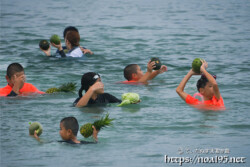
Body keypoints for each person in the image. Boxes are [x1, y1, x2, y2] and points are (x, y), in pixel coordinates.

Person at [32, 117, 98, 144]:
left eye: (61, 129)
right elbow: (96, 143)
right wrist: (95, 136)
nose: (59, 132)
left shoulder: (64, 142)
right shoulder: (84, 143)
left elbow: (45, 143)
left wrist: (36, 137)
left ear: (69, 132)